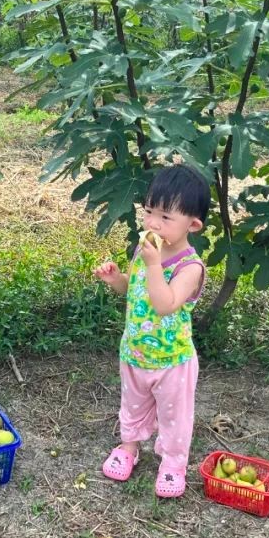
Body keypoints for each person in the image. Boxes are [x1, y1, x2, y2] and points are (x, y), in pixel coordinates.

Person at [93, 164, 209, 498]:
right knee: (132, 405)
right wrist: (116, 279)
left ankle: (173, 463)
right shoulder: (144, 252)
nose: (153, 223)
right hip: (135, 352)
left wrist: (154, 264)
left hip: (172, 360)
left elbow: (165, 304)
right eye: (148, 212)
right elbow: (136, 290)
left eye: (165, 217)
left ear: (192, 224)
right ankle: (129, 446)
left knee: (174, 416)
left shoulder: (190, 267)